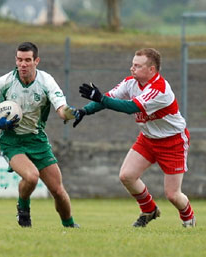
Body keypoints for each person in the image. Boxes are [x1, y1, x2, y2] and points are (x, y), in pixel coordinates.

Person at [73, 48, 195, 228]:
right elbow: (107, 98)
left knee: (172, 194)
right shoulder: (130, 83)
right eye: (132, 65)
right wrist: (85, 111)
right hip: (148, 139)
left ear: (151, 70)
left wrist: (101, 98)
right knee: (127, 176)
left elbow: (130, 107)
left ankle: (188, 220)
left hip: (173, 142)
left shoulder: (160, 90)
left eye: (137, 66)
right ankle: (149, 210)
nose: (132, 69)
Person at [0, 42, 79, 228]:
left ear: (36, 61)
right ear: (16, 60)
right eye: (19, 60)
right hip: (12, 140)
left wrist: (69, 113)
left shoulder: (46, 81)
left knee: (58, 190)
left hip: (37, 139)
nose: (23, 64)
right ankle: (23, 209)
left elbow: (60, 107)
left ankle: (70, 225)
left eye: (28, 60)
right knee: (31, 176)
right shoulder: (4, 83)